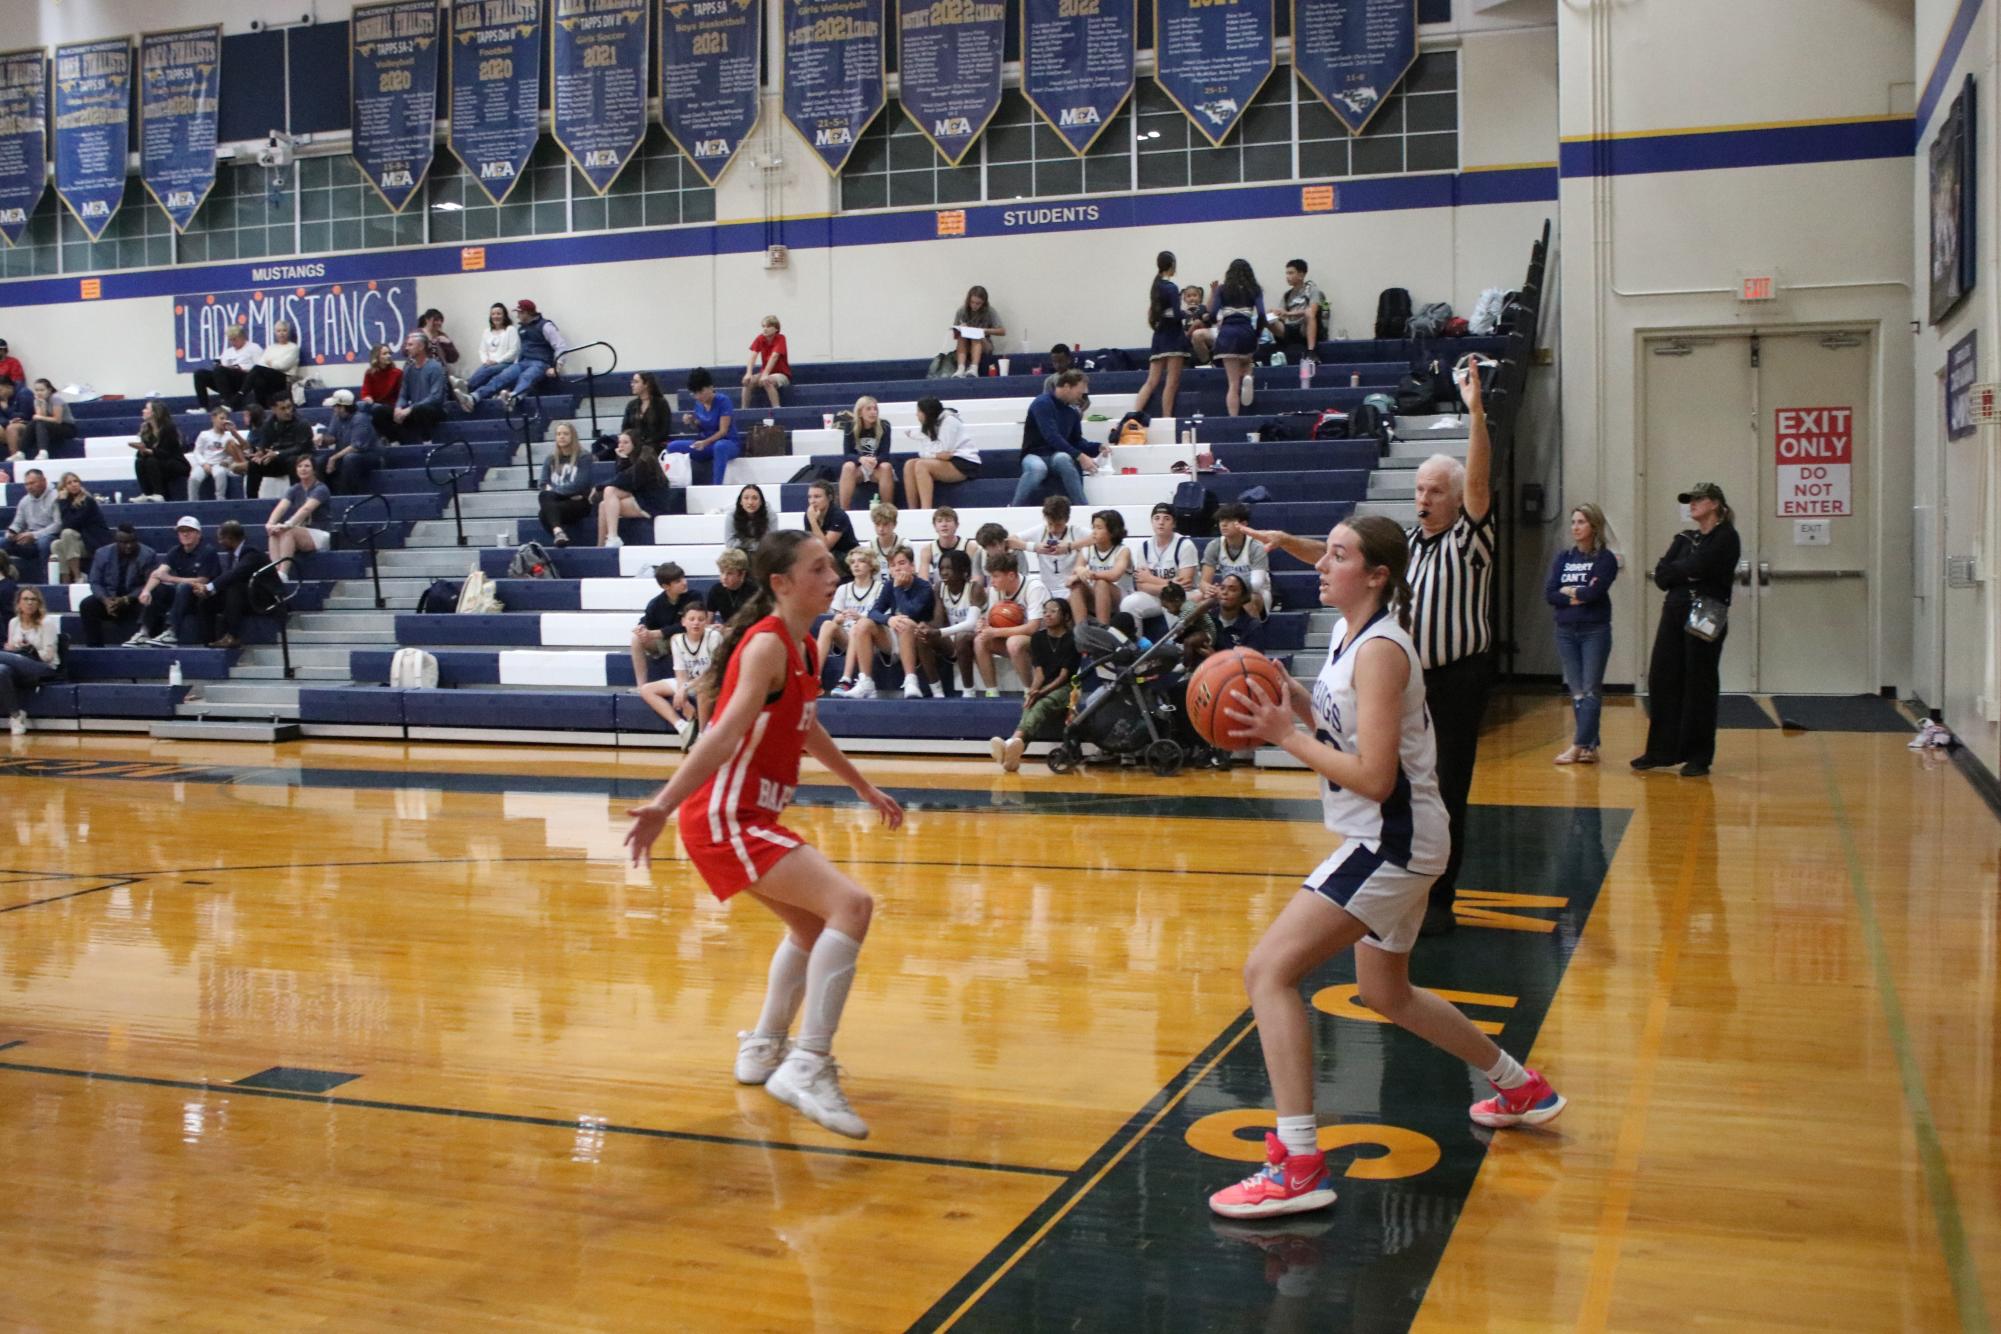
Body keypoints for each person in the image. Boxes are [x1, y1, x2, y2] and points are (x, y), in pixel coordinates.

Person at [1208, 518, 1565, 1221]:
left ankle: (1298, 1163)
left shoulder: (1379, 649)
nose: (1322, 564)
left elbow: (1372, 777)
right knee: (1386, 993)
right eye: (1326, 551)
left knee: (1268, 971)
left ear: (1376, 575)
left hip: (1388, 841)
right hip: (1401, 838)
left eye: (1338, 556)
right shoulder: (1349, 638)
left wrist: (1287, 737)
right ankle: (1520, 1087)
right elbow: (1351, 732)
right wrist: (1296, 705)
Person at [624, 530, 905, 1140]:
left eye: (833, 566)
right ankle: (808, 1063)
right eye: (819, 567)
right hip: (724, 816)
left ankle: (765, 1047)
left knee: (811, 927)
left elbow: (805, 728)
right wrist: (662, 805)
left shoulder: (803, 644)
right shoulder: (765, 646)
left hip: (747, 815)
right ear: (781, 583)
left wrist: (862, 786)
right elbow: (721, 735)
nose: (832, 575)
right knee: (851, 906)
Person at [1384, 356, 1495, 936]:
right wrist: (1291, 545)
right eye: (1419, 488)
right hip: (1410, 680)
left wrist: (1476, 412)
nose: (1423, 498)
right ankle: (1404, 880)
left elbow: (1479, 480)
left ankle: (1443, 897)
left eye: (1435, 491)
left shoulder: (1469, 540)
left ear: (1455, 499)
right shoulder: (1406, 540)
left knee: (1449, 787)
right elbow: (1349, 559)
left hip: (1458, 678)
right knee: (1404, 782)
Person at [1634, 483, 1740, 779]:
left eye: (1698, 499)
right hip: (1675, 610)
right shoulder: (1684, 538)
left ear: (1715, 504)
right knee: (1663, 677)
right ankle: (1661, 750)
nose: (1692, 504)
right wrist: (1686, 570)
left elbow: (1702, 565)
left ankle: (1698, 755)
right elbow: (1662, 575)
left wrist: (1682, 570)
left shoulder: (1726, 537)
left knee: (1699, 683)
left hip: (1706, 613)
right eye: (1690, 500)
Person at [1546, 503, 1621, 765]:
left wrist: (1569, 592)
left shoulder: (1605, 559)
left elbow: (1594, 593)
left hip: (1594, 630)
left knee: (1590, 690)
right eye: (1574, 522)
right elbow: (1550, 593)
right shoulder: (1564, 558)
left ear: (1594, 526)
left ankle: (1577, 746)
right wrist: (1574, 595)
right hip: (1566, 630)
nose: (1576, 527)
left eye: (1581, 522)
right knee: (1576, 691)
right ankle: (1591, 745)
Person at [990, 598, 1079, 771]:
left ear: (1066, 616)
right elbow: (1039, 672)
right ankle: (1012, 756)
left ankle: (1011, 742)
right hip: (1045, 685)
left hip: (1068, 688)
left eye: (1053, 611)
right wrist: (1033, 691)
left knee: (1042, 704)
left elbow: (1063, 676)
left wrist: (1042, 692)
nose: (1047, 614)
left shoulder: (1072, 639)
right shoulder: (1038, 638)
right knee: (1030, 704)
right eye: (1045, 610)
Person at [839, 546, 937, 699]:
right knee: (863, 624)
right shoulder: (889, 585)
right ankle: (866, 682)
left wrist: (898, 588)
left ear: (912, 566)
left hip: (919, 641)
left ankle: (911, 680)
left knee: (905, 622)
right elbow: (874, 612)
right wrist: (888, 619)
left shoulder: (923, 586)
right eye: (893, 565)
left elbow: (910, 612)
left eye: (902, 563)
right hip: (893, 638)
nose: (897, 568)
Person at [638, 602, 722, 744]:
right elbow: (681, 674)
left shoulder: (714, 636)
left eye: (701, 619)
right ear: (683, 622)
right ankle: (682, 727)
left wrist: (684, 689)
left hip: (712, 681)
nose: (696, 623)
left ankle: (702, 736)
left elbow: (712, 673)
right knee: (646, 690)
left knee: (703, 689)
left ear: (707, 621)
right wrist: (683, 700)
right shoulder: (677, 640)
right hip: (689, 682)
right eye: (692, 619)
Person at [131, 516, 221, 647]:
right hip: (182, 593)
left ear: (198, 534)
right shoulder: (175, 551)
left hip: (203, 595)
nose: (185, 534)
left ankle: (172, 632)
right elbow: (158, 574)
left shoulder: (208, 551)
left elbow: (202, 580)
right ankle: (144, 632)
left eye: (189, 530)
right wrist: (146, 591)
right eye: (181, 531)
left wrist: (170, 579)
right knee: (158, 588)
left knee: (183, 587)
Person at [1013, 370, 1098, 507]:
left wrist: (1097, 447)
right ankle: (1015, 508)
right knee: (1038, 468)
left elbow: (1076, 441)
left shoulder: (1073, 412)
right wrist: (1080, 456)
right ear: (1067, 386)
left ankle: (1082, 506)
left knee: (1063, 459)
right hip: (1034, 454)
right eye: (1079, 392)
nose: (1082, 397)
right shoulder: (1042, 403)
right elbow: (1051, 436)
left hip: (1056, 455)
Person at [971, 549, 1049, 697]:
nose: (991, 581)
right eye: (990, 576)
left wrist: (995, 632)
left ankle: (1030, 691)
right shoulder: (996, 590)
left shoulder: (1034, 587)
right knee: (980, 640)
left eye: (995, 576)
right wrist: (983, 625)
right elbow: (992, 623)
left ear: (1011, 575)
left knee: (1014, 642)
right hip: (1015, 639)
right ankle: (991, 692)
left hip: (1044, 641)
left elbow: (1033, 628)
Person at [819, 547, 885, 696]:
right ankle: (814, 678)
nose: (856, 565)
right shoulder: (843, 589)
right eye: (853, 562)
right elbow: (835, 617)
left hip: (869, 640)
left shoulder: (880, 588)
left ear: (871, 565)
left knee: (858, 626)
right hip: (847, 637)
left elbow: (881, 619)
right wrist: (838, 619)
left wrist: (860, 617)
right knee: (827, 624)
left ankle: (846, 680)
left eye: (861, 561)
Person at [475, 298, 566, 406]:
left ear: (527, 312)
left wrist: (557, 367)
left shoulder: (545, 325)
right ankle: (475, 396)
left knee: (526, 376)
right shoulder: (521, 329)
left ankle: (514, 398)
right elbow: (521, 350)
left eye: (520, 312)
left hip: (541, 363)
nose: (517, 315)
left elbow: (560, 346)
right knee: (503, 376)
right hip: (523, 362)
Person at [916, 546, 981, 696]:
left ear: (963, 570)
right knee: (921, 637)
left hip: (975, 636)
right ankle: (936, 690)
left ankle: (969, 690)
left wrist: (938, 632)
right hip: (951, 637)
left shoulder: (975, 588)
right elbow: (938, 620)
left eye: (949, 568)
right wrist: (927, 628)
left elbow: (971, 624)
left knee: (962, 636)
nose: (944, 572)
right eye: (942, 568)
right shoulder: (939, 587)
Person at [1133, 251, 1189, 420]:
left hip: (1159, 335)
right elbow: (1177, 315)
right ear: (1172, 264)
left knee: (1151, 381)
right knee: (1171, 382)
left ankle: (1133, 414)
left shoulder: (1155, 285)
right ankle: (1166, 417)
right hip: (1173, 335)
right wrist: (1190, 314)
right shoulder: (1171, 288)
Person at [1122, 502, 1199, 626]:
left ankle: (1177, 643)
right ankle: (1137, 643)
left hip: (1185, 595)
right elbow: (1141, 585)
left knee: (1173, 600)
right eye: (1156, 518)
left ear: (1174, 523)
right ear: (1152, 522)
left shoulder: (1185, 545)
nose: (1161, 522)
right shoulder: (1145, 547)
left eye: (1166, 519)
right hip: (1156, 595)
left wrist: (1150, 578)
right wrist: (1168, 586)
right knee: (1129, 604)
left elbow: (1183, 586)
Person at [78, 525, 156, 647]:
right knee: (87, 605)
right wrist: (105, 600)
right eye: (124, 542)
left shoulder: (148, 555)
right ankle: (95, 647)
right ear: (116, 541)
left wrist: (126, 599)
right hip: (109, 598)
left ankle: (143, 639)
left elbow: (148, 583)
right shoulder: (102, 554)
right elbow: (95, 581)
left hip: (134, 600)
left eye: (132, 541)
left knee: (151, 601)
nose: (128, 546)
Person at [902, 397, 983, 511]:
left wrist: (931, 454)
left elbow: (944, 450)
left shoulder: (949, 421)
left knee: (921, 465)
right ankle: (912, 510)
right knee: (909, 464)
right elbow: (935, 452)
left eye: (919, 411)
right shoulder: (932, 424)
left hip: (963, 462)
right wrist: (933, 454)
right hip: (946, 460)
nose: (916, 415)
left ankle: (926, 510)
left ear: (927, 412)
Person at [629, 561, 701, 687]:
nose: (684, 582)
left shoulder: (694, 596)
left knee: (676, 638)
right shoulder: (656, 603)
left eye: (683, 578)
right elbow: (647, 619)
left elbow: (686, 625)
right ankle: (641, 686)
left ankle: (685, 681)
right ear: (665, 586)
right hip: (665, 642)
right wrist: (642, 628)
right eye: (678, 581)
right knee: (636, 639)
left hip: (689, 638)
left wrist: (659, 632)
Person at [1209, 259, 1266, 414]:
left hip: (1227, 334)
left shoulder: (1222, 289)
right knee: (1247, 362)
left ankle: (1233, 418)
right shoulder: (1255, 289)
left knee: (1232, 384)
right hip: (1246, 332)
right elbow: (1261, 314)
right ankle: (1248, 377)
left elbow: (1212, 314)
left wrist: (1218, 323)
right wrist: (1257, 334)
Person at [1, 585, 59, 734]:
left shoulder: (47, 623)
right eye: (25, 599)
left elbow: (49, 655)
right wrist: (12, 649)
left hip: (42, 667)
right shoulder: (13, 622)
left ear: (39, 603)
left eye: (33, 599)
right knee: (1, 671)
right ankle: (16, 716)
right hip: (18, 665)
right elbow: (10, 650)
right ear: (18, 603)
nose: (29, 602)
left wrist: (30, 649)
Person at [207, 519, 271, 650]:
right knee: (206, 599)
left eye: (221, 539)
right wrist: (208, 591)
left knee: (233, 589)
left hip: (265, 598)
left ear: (230, 538)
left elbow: (236, 574)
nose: (219, 542)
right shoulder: (233, 554)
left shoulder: (251, 552)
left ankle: (233, 636)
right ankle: (208, 638)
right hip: (247, 596)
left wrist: (209, 586)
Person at [264, 455, 331, 580]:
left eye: (307, 466)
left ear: (314, 470)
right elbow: (281, 507)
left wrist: (288, 524)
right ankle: (276, 570)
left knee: (289, 531)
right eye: (299, 466)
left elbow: (306, 509)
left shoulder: (321, 488)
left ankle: (283, 573)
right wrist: (270, 523)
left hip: (321, 532)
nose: (303, 469)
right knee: (273, 532)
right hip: (301, 530)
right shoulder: (295, 489)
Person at [374, 331, 447, 444]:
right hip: (413, 411)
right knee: (379, 411)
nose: (407, 348)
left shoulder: (435, 367)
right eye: (407, 345)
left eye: (410, 345)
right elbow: (403, 394)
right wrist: (398, 408)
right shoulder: (408, 368)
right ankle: (395, 442)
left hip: (431, 411)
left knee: (421, 410)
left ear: (421, 347)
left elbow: (435, 397)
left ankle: (427, 442)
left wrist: (410, 409)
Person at [596, 432, 666, 549]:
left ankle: (613, 537)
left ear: (635, 443)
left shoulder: (645, 456)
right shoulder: (628, 457)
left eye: (625, 442)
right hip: (639, 496)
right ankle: (601, 546)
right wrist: (623, 460)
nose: (621, 446)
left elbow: (626, 481)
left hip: (653, 502)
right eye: (619, 442)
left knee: (609, 491)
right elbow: (621, 481)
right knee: (604, 504)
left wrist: (598, 486)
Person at [1202, 502, 1272, 616]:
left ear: (1243, 524)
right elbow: (1204, 582)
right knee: (1201, 599)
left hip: (1256, 593)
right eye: (1221, 520)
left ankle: (1249, 632)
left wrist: (1227, 592)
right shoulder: (1214, 545)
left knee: (1250, 600)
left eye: (1229, 520)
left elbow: (1256, 584)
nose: (1223, 524)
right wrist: (1209, 589)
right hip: (1228, 591)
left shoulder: (1256, 546)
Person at [1009, 495, 1083, 601]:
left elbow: (1095, 538)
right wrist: (1034, 547)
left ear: (1067, 520)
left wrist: (1070, 546)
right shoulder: (1040, 531)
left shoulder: (1076, 532)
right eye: (1050, 524)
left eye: (1058, 525)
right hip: (1047, 590)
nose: (1053, 529)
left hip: (1071, 588)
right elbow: (1010, 541)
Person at [675, 367, 740, 488]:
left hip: (726, 443)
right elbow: (699, 426)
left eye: (701, 391)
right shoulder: (698, 404)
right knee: (673, 446)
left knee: (720, 447)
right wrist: (692, 421)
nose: (698, 396)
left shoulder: (723, 401)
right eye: (695, 393)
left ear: (710, 387)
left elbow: (723, 431)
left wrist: (705, 442)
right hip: (706, 444)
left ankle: (716, 487)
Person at [1071, 508, 1134, 625]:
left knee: (1101, 583)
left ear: (1112, 531)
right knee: (1076, 586)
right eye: (1093, 527)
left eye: (1099, 528)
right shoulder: (1087, 550)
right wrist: (1079, 571)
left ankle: (1102, 629)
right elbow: (1072, 576)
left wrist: (1090, 574)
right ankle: (1081, 631)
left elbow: (1115, 575)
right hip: (1096, 594)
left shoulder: (1123, 550)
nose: (1094, 532)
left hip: (1122, 597)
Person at [243, 396, 315, 496]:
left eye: (289, 407)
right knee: (254, 464)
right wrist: (260, 453)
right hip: (279, 459)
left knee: (294, 461)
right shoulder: (268, 424)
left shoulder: (302, 423)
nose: (288, 411)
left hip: (302, 457)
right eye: (283, 408)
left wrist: (277, 453)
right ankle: (251, 501)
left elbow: (301, 448)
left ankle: (298, 498)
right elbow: (265, 444)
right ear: (274, 409)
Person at [315, 389, 382, 496]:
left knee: (350, 459)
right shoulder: (337, 417)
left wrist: (333, 458)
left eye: (335, 406)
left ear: (342, 407)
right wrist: (322, 439)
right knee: (319, 462)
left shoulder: (360, 419)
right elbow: (332, 437)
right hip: (343, 454)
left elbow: (356, 446)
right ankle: (323, 496)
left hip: (367, 455)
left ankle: (346, 495)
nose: (333, 409)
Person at [537, 422, 593, 546]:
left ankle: (560, 535)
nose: (562, 437)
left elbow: (580, 484)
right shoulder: (550, 459)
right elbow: (543, 484)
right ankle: (559, 533)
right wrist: (564, 494)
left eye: (566, 434)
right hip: (559, 501)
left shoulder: (584, 457)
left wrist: (555, 492)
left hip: (578, 503)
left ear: (573, 436)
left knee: (545, 510)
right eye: (559, 434)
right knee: (544, 498)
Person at [49, 472, 110, 584]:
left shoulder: (87, 501)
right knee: (56, 544)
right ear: (63, 488)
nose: (73, 484)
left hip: (94, 542)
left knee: (67, 533)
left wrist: (62, 502)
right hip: (79, 542)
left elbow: (70, 524)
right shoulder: (65, 502)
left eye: (76, 481)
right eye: (69, 483)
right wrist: (63, 502)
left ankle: (78, 577)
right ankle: (65, 579)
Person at [456, 303, 518, 409]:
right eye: (493, 314)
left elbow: (514, 351)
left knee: (487, 371)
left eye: (499, 313)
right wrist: (485, 361)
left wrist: (497, 361)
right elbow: (482, 350)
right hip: (489, 364)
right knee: (486, 370)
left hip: (506, 363)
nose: (496, 316)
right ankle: (468, 393)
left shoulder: (510, 330)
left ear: (504, 315)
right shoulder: (486, 332)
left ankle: (467, 387)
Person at [1268, 259, 1328, 364]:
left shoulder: (1313, 290)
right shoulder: (1287, 295)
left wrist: (1288, 313)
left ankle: (1311, 352)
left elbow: (1312, 311)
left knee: (1309, 314)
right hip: (1290, 329)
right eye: (1286, 273)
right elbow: (1282, 316)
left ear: (1301, 275)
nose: (1287, 276)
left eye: (1291, 273)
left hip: (1305, 329)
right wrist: (1275, 313)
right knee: (1267, 317)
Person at [838, 396, 894, 509]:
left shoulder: (884, 425)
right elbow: (847, 454)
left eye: (875, 409)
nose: (873, 412)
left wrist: (875, 460)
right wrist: (861, 459)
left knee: (886, 466)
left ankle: (887, 510)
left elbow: (885, 455)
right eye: (868, 409)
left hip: (876, 468)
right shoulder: (850, 426)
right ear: (860, 412)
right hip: (859, 468)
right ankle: (844, 511)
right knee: (848, 466)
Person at [4, 468, 59, 580]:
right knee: (2, 542)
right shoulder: (24, 501)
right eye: (26, 484)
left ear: (43, 480)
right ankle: (5, 578)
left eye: (32, 483)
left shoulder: (56, 497)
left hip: (51, 536)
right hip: (28, 540)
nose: (29, 487)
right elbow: (18, 523)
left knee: (44, 543)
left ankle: (47, 579)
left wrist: (34, 535)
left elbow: (58, 525)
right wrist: (12, 532)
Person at [192, 324, 261, 410]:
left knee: (220, 370)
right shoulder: (227, 352)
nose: (233, 343)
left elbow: (259, 369)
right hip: (227, 380)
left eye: (235, 339)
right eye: (230, 340)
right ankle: (203, 407)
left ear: (242, 337)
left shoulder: (253, 348)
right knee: (200, 374)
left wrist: (240, 368)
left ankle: (227, 403)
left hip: (243, 379)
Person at [187, 404, 244, 501]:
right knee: (194, 478)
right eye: (221, 418)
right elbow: (197, 451)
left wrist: (227, 461)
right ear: (213, 418)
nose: (223, 422)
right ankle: (192, 500)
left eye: (225, 419)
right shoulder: (204, 434)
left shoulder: (228, 437)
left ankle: (220, 498)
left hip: (219, 464)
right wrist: (204, 463)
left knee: (220, 474)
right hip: (205, 463)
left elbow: (233, 453)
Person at [242, 321, 302, 408]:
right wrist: (273, 364)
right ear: (275, 333)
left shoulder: (293, 347)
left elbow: (283, 366)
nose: (281, 333)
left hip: (284, 377)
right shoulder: (271, 347)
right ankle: (263, 408)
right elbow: (261, 363)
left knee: (257, 369)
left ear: (288, 332)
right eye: (279, 331)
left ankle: (241, 394)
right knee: (258, 380)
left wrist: (271, 363)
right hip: (269, 377)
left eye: (284, 330)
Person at [949, 285, 1006, 377]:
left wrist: (983, 331)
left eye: (978, 303)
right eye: (972, 302)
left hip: (984, 343)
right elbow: (955, 335)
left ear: (984, 303)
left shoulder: (989, 311)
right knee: (962, 337)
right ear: (968, 301)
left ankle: (974, 368)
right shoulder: (961, 311)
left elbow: (1002, 331)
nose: (974, 306)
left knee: (976, 335)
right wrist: (960, 328)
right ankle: (960, 369)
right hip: (966, 345)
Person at [741, 315, 791, 409]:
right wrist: (748, 373)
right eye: (763, 326)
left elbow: (774, 356)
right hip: (765, 373)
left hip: (782, 374)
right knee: (748, 382)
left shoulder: (781, 338)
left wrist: (765, 374)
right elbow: (753, 356)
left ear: (776, 328)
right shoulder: (760, 338)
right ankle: (744, 410)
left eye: (768, 326)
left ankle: (776, 408)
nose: (765, 329)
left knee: (767, 381)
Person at [801, 478, 857, 561]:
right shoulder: (809, 514)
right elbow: (810, 541)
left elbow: (825, 547)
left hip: (848, 555)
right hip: (827, 554)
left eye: (817, 497)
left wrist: (813, 522)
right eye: (810, 497)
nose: (812, 501)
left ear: (829, 497)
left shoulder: (838, 515)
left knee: (827, 557)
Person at [1211, 574, 1267, 653]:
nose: (1225, 592)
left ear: (1243, 597)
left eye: (1232, 590)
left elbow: (1252, 662)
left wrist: (1213, 657)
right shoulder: (1208, 618)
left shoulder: (1252, 626)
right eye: (1222, 588)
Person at [621, 372, 671, 448]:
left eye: (636, 382)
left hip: (655, 445)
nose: (632, 384)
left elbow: (664, 430)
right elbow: (625, 429)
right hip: (634, 446)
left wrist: (647, 443)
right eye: (632, 382)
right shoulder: (631, 405)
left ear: (646, 384)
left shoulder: (661, 404)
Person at [27, 379, 76, 456]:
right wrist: (42, 404)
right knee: (34, 423)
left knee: (40, 423)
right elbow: (41, 417)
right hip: (50, 426)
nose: (39, 392)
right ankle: (21, 453)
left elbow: (57, 420)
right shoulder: (37, 400)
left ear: (49, 390)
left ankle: (43, 452)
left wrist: (40, 417)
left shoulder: (56, 399)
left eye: (42, 390)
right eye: (36, 390)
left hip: (66, 427)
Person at [706, 547, 753, 622]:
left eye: (729, 573)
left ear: (742, 574)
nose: (724, 577)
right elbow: (708, 621)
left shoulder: (754, 591)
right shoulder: (716, 590)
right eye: (722, 572)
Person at [725, 484, 771, 554]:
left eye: (755, 498)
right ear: (740, 501)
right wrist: (754, 543)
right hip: (739, 554)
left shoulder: (770, 515)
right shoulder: (731, 516)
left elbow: (770, 543)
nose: (750, 502)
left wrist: (744, 542)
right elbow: (730, 544)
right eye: (746, 498)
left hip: (762, 554)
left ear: (761, 502)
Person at [359, 341, 403, 411]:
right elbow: (366, 392)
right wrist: (367, 398)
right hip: (375, 405)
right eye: (385, 354)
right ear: (376, 357)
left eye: (389, 353)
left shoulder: (398, 373)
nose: (389, 356)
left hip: (391, 407)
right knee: (359, 405)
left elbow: (401, 395)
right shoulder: (370, 373)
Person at [0, 375, 32, 461]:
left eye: (0, 390)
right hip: (9, 423)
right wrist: (8, 421)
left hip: (29, 424)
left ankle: (15, 457)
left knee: (12, 428)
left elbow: (25, 415)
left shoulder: (24, 393)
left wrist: (7, 409)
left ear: (8, 387)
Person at [418, 308, 459, 374]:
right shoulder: (417, 333)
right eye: (436, 320)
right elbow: (406, 351)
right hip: (421, 371)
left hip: (440, 372)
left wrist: (448, 344)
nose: (439, 323)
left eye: (441, 320)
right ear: (427, 320)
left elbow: (453, 358)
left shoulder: (442, 335)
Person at [1183, 285, 1216, 365]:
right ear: (1184, 299)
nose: (1192, 298)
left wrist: (1206, 317)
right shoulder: (1184, 313)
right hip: (1189, 340)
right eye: (1189, 296)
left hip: (1201, 336)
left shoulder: (1202, 308)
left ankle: (1208, 361)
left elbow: (1207, 316)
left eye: (1195, 295)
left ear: (1200, 298)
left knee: (1197, 322)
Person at [863, 501, 902, 567]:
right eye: (877, 524)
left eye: (885, 524)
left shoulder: (904, 544)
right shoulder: (868, 546)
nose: (881, 529)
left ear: (894, 524)